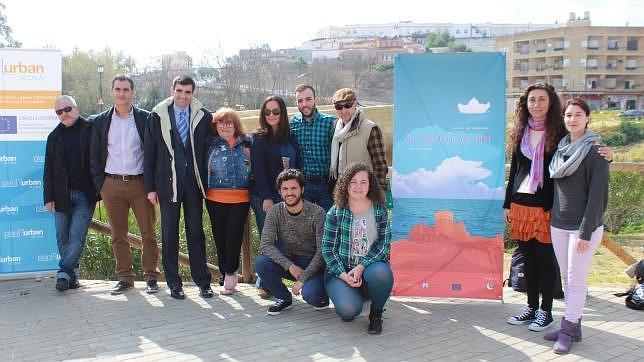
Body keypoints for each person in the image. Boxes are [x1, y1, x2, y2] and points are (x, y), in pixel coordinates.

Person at [504, 83, 612, 332]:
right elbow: (515, 170)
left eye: (542, 99)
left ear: (551, 103)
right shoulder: (520, 131)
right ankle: (530, 307)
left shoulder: (559, 132)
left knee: (545, 260)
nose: (537, 104)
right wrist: (507, 203)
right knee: (527, 259)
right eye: (532, 100)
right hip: (521, 204)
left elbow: (583, 143)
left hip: (547, 205)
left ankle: (547, 311)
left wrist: (608, 154)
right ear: (525, 104)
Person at [546, 98, 609, 354]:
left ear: (588, 118)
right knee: (566, 278)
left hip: (583, 229)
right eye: (568, 115)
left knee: (576, 281)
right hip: (559, 225)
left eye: (578, 115)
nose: (573, 119)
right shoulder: (561, 151)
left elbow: (598, 198)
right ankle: (575, 326)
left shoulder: (597, 152)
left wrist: (585, 232)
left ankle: (568, 331)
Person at [144, 75, 213, 300]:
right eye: (179, 91)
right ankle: (174, 283)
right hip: (167, 183)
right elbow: (150, 153)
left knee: (195, 233)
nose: (183, 96)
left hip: (194, 183)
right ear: (172, 89)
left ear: (193, 93)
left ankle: (203, 281)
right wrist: (150, 188)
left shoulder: (203, 116)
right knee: (169, 235)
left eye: (188, 92)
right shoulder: (157, 116)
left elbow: (208, 149)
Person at [90, 75, 160, 295]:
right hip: (111, 184)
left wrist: (152, 186)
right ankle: (125, 278)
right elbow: (93, 155)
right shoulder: (100, 121)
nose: (121, 93)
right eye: (118, 89)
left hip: (140, 183)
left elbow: (155, 153)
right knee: (118, 235)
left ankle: (151, 277)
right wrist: (101, 185)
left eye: (126, 89)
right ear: (111, 92)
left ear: (133, 92)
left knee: (148, 233)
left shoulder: (145, 118)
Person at [322, 162, 393, 335]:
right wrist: (344, 275)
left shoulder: (379, 210)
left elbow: (384, 244)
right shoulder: (336, 212)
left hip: (370, 267)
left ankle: (376, 314)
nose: (358, 187)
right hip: (341, 272)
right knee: (348, 312)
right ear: (345, 184)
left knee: (381, 274)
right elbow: (328, 249)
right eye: (353, 181)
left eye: (363, 182)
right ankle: (356, 294)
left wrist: (361, 266)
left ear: (370, 185)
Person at [254, 169, 329, 315]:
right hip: (292, 261)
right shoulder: (275, 211)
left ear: (302, 189)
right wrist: (290, 266)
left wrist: (304, 277)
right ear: (279, 192)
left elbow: (322, 252)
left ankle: (320, 295)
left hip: (315, 264)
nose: (289, 193)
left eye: (294, 188)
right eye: (285, 189)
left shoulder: (317, 213)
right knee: (261, 263)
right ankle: (284, 298)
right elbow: (265, 245)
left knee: (312, 296)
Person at [43, 95, 98, 291]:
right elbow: (48, 169)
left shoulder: (92, 129)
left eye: (67, 109)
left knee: (76, 236)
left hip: (85, 194)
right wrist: (48, 197)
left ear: (76, 107)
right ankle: (71, 277)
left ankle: (63, 272)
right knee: (62, 237)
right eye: (59, 112)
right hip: (60, 195)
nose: (64, 114)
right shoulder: (54, 137)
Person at [250, 95, 302, 299]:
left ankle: (274, 280)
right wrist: (267, 197)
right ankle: (264, 283)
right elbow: (259, 170)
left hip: (288, 197)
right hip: (266, 197)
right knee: (268, 238)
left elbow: (298, 165)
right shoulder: (258, 138)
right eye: (267, 112)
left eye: (276, 111)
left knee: (285, 241)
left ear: (282, 113)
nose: (271, 115)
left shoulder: (291, 136)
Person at [204, 107, 251, 295]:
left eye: (229, 122)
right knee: (220, 237)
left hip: (240, 198)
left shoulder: (247, 144)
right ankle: (224, 273)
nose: (225, 126)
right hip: (214, 197)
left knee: (233, 235)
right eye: (221, 123)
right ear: (215, 126)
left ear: (235, 125)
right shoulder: (209, 144)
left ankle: (231, 273)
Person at [329, 88, 388, 191]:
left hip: (364, 191)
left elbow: (380, 166)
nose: (343, 111)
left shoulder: (370, 128)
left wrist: (377, 193)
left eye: (347, 105)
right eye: (338, 107)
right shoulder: (335, 128)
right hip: (343, 189)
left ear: (355, 103)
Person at [289, 84, 336, 211]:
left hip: (326, 184)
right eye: (300, 101)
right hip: (304, 185)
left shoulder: (331, 122)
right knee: (304, 224)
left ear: (315, 99)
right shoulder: (292, 124)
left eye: (308, 99)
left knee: (328, 224)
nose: (304, 104)